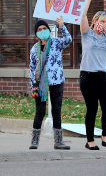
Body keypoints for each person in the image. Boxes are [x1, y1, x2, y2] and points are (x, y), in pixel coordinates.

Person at [79, 0, 106, 150]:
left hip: (103, 77)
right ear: (95, 21)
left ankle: (104, 134)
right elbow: (82, 15)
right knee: (92, 109)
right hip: (88, 77)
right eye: (102, 21)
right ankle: (90, 141)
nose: (105, 24)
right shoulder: (87, 33)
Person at [29, 16, 72, 150]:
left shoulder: (56, 43)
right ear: (37, 34)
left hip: (57, 81)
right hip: (40, 84)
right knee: (40, 111)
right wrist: (33, 86)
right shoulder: (34, 49)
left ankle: (58, 142)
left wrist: (62, 26)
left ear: (49, 30)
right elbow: (32, 69)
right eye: (40, 29)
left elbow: (68, 40)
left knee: (56, 111)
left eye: (44, 28)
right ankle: (34, 141)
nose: (42, 31)